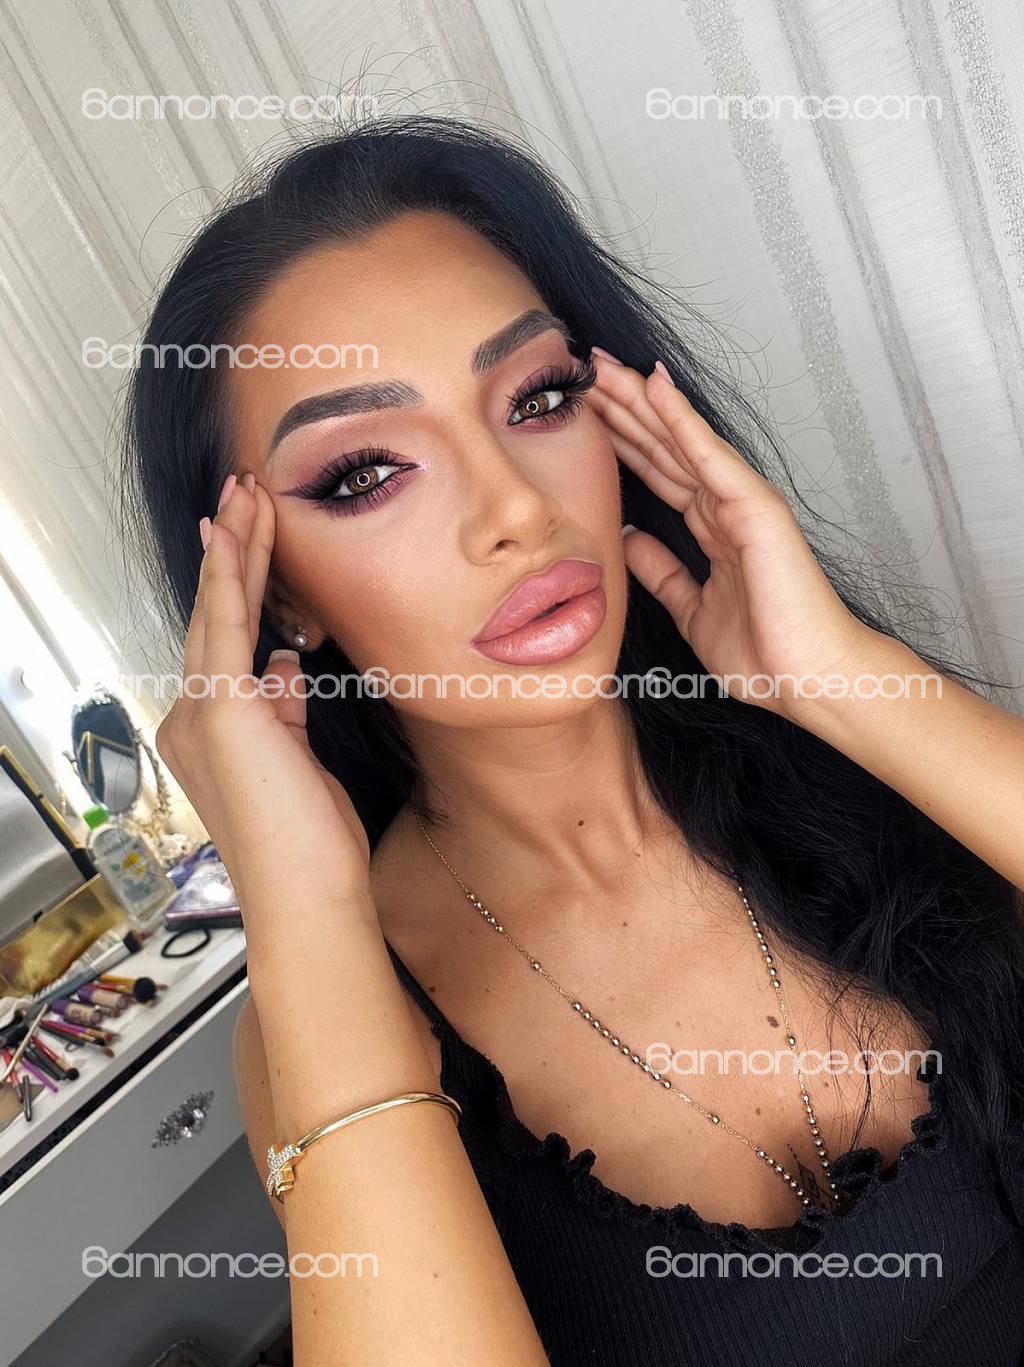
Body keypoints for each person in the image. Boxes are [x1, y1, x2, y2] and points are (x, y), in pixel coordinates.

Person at [121, 116, 1024, 1365]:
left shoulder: (859, 760)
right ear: (275, 594)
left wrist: (849, 683)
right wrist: (305, 911)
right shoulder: (325, 1017)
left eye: (537, 398)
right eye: (365, 472)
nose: (514, 506)